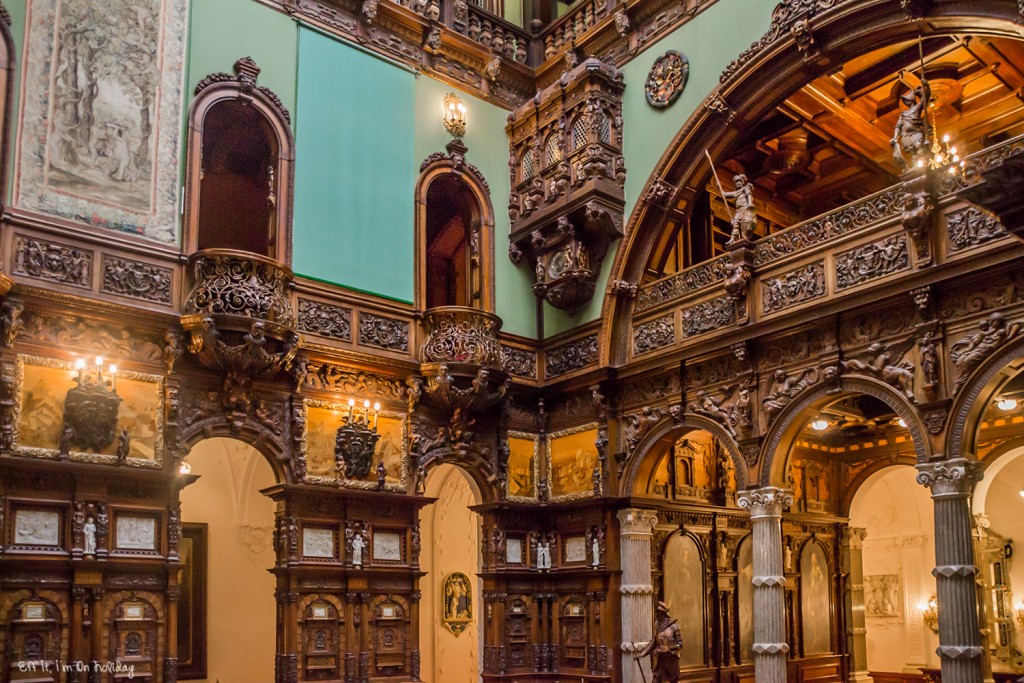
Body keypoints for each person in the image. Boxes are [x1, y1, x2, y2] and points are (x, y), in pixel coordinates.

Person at [635, 601, 683, 683]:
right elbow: (654, 642)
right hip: (659, 660)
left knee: (673, 680)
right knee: (655, 680)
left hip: (671, 660)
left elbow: (680, 644)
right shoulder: (657, 625)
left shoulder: (674, 626)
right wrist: (642, 654)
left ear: (663, 613)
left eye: (658, 612)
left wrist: (668, 647)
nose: (656, 614)